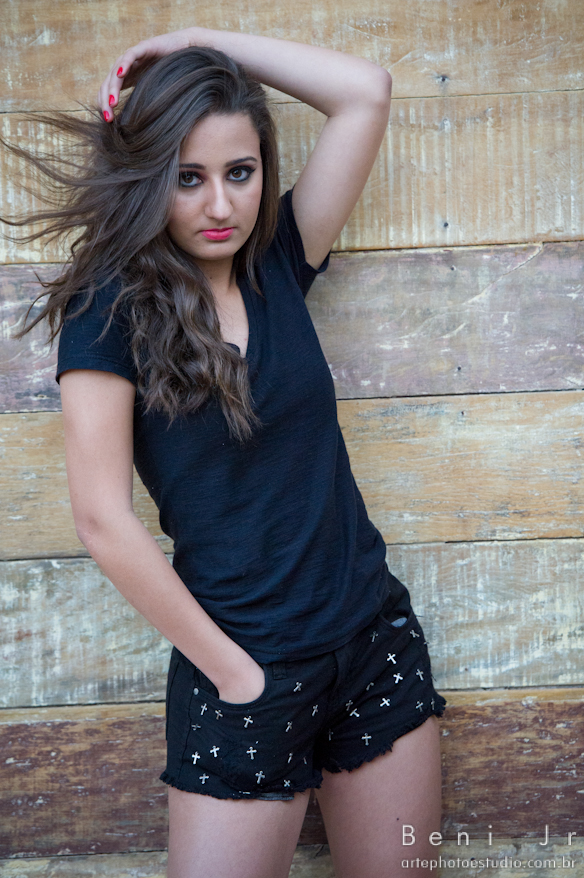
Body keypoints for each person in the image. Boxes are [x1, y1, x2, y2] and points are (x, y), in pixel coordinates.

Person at [7, 27, 446, 878]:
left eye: (239, 173)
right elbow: (102, 521)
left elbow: (366, 92)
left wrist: (197, 42)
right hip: (242, 673)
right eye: (188, 178)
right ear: (148, 179)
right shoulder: (107, 312)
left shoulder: (279, 259)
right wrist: (238, 677)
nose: (220, 206)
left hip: (373, 645)